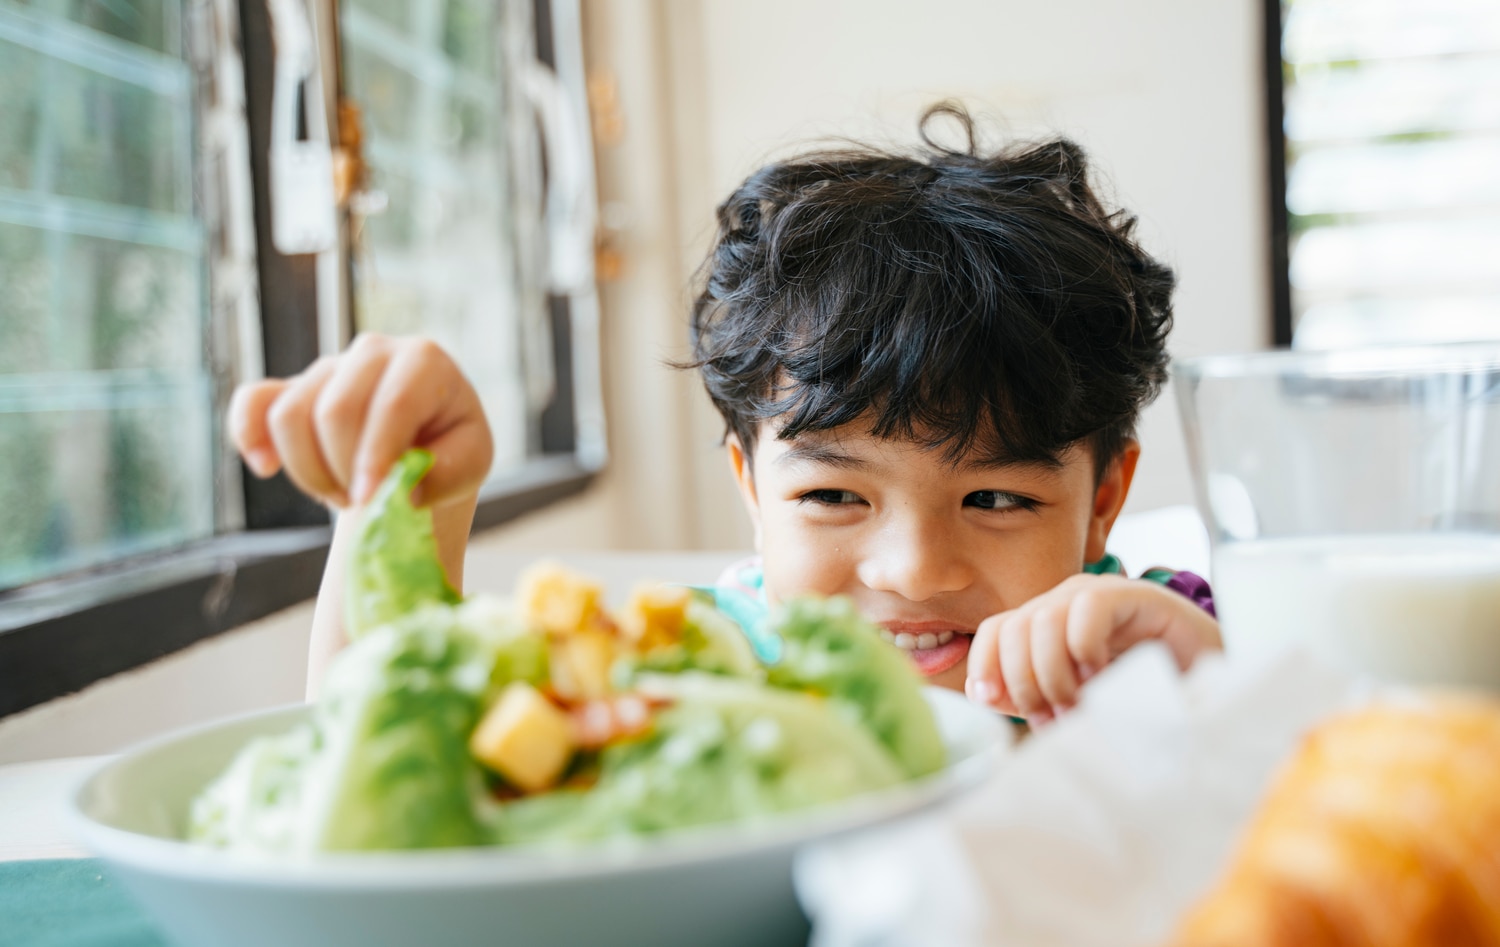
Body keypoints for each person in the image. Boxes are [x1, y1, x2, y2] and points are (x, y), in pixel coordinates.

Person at [229, 103, 1220, 725]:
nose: (915, 569)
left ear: (1103, 501)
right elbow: (386, 749)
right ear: (752, 487)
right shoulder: (687, 667)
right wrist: (405, 505)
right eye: (834, 493)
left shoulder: (1150, 641)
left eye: (997, 496)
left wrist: (1194, 681)